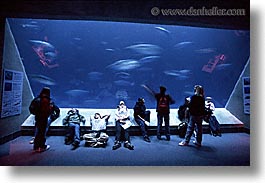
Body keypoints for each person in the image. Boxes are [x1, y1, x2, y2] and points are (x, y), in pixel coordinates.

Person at [29, 87, 53, 152]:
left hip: (37, 117)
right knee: (42, 133)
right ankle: (42, 146)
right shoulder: (45, 100)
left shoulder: (37, 99)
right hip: (43, 118)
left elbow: (31, 108)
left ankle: (36, 147)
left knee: (38, 132)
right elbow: (46, 110)